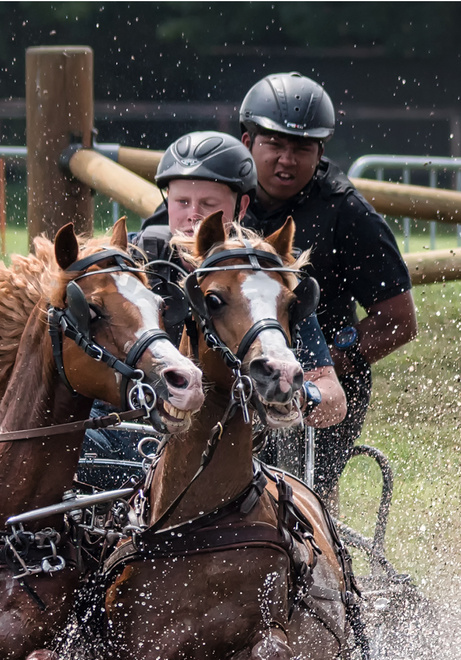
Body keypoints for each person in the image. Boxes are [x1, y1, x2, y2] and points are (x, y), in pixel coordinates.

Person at [79, 131, 346, 481]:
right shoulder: (126, 269)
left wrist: (298, 394)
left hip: (225, 456)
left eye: (208, 204)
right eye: (182, 202)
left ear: (242, 207)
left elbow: (334, 400)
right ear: (167, 201)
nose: (194, 216)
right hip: (124, 444)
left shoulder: (265, 283)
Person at [238, 72, 418, 495]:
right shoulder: (225, 195)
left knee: (295, 498)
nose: (286, 159)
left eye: (301, 148)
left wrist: (329, 367)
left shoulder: (348, 214)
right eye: (274, 144)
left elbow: (398, 319)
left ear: (320, 152)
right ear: (247, 143)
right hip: (236, 367)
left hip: (322, 376)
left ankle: (322, 543)